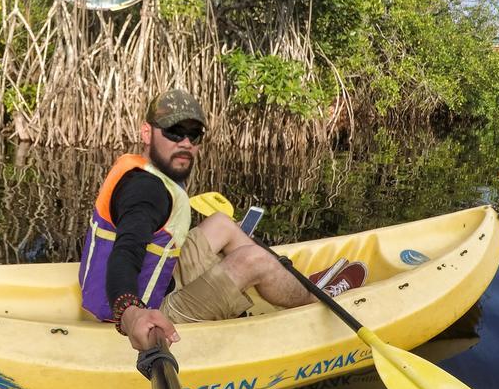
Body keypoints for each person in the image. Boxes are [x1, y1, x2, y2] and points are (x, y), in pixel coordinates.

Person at [78, 88, 366, 351]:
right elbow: (125, 253)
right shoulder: (147, 191)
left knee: (221, 224)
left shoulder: (143, 171)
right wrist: (130, 312)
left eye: (194, 135)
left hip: (139, 283)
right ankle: (313, 299)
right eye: (174, 132)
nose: (186, 143)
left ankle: (291, 282)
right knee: (253, 259)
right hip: (140, 309)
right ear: (146, 133)